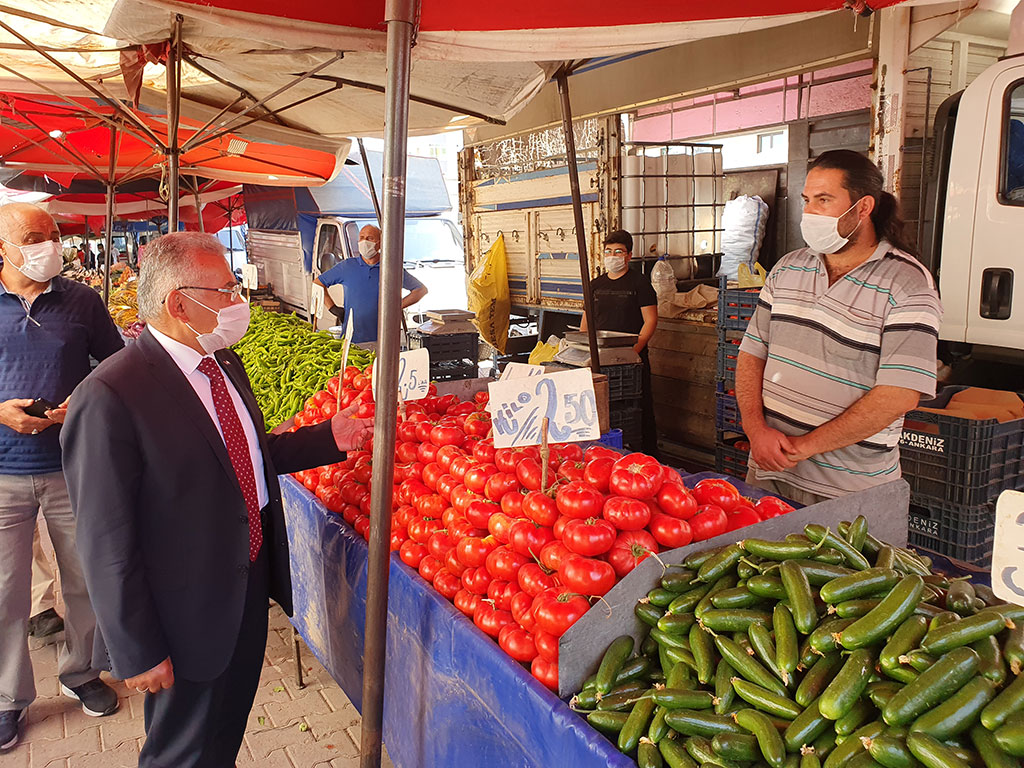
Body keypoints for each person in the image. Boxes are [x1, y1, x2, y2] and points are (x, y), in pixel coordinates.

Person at [61, 232, 374, 768]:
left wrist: (328, 437)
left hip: (244, 587)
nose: (238, 301)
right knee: (182, 751)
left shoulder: (222, 363)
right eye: (226, 290)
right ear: (179, 303)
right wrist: (138, 648)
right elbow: (103, 538)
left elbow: (246, 454)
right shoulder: (112, 394)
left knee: (223, 733)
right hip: (181, 613)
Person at [736, 150, 943, 505]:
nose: (810, 212)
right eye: (807, 200)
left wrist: (804, 446)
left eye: (824, 200)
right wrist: (755, 430)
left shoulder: (907, 285)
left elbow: (899, 394)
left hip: (849, 492)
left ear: (863, 207)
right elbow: (752, 353)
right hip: (769, 473)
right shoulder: (787, 269)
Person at [0, 202, 124, 751]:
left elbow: (116, 364)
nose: (49, 246)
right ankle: (8, 697)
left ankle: (81, 672)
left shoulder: (82, 300)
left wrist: (84, 399)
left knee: (85, 579)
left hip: (73, 465)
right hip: (3, 473)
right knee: (5, 592)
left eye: (53, 235)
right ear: (3, 247)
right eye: (34, 237)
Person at [580, 229, 659, 455]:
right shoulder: (595, 285)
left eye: (618, 251)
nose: (612, 256)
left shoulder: (640, 283)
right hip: (599, 358)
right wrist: (582, 349)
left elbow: (651, 320)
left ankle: (646, 454)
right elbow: (586, 321)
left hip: (631, 360)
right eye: (608, 251)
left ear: (629, 255)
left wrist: (633, 352)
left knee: (637, 409)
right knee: (602, 407)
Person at [314, 223, 427, 344]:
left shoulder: (391, 268)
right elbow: (318, 283)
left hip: (384, 341)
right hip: (352, 339)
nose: (364, 242)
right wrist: (333, 308)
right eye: (361, 238)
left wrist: (396, 307)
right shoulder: (347, 266)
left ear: (380, 243)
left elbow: (420, 290)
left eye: (370, 238)